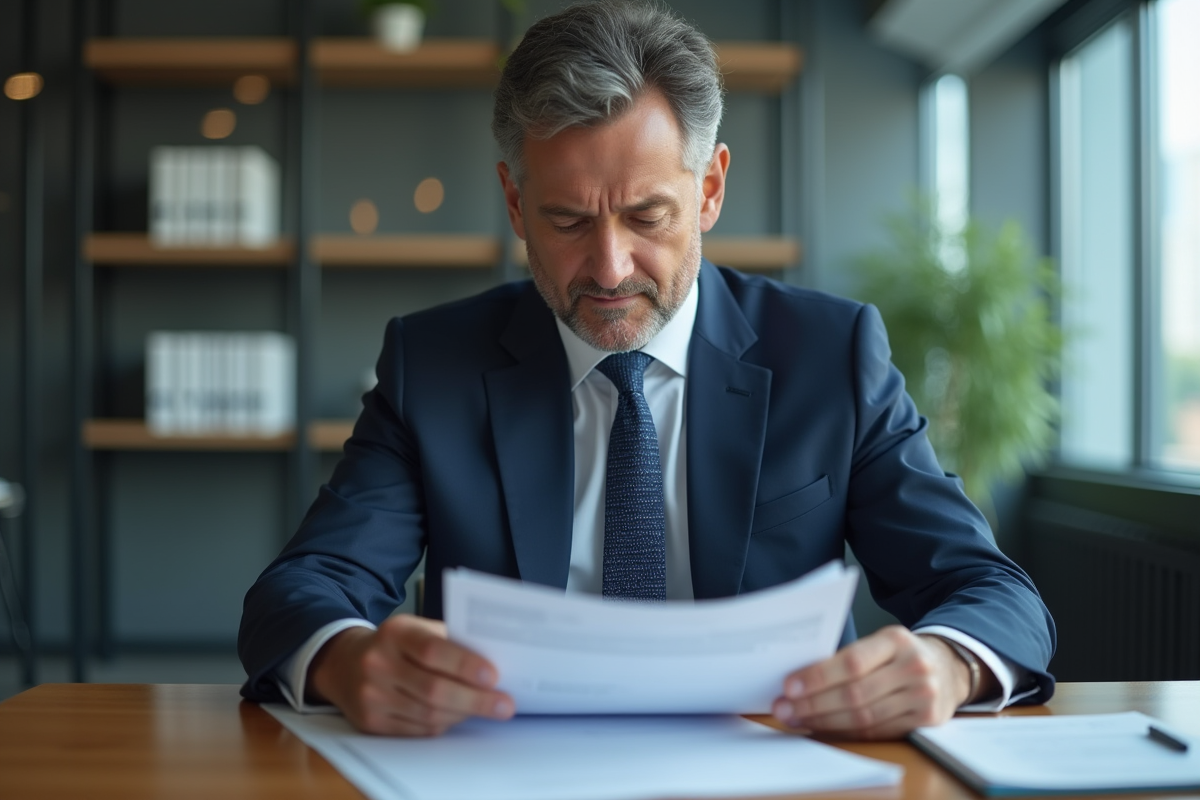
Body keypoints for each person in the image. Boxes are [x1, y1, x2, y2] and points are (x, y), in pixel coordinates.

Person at [238, 0, 1055, 739]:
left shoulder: (830, 357)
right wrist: (346, 660)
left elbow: (994, 593)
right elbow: (302, 588)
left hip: (771, 772)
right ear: (516, 204)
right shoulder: (435, 365)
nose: (609, 267)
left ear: (710, 190)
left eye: (646, 216)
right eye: (567, 220)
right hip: (510, 770)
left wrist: (948, 665)